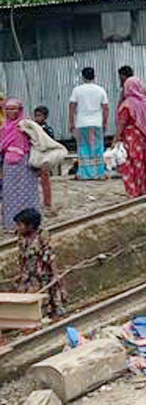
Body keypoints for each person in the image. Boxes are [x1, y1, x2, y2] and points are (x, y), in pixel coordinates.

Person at [13, 207, 67, 318]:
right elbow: (21, 257)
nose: (17, 228)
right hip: (29, 274)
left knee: (47, 297)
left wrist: (55, 275)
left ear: (30, 226)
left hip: (43, 274)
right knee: (26, 296)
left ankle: (50, 315)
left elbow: (50, 255)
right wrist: (21, 272)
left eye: (20, 225)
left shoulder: (42, 236)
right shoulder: (22, 238)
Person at [115, 77, 146, 198]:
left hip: (130, 136)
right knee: (142, 162)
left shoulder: (127, 104)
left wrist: (116, 138)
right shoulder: (145, 102)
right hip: (142, 137)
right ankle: (144, 187)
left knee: (129, 163)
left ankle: (133, 189)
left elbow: (122, 122)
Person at [1, 99, 38, 229]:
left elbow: (37, 138)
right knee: (10, 193)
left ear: (20, 110)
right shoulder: (4, 127)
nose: (11, 111)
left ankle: (31, 223)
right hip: (9, 164)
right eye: (8, 109)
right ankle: (12, 224)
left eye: (14, 108)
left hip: (25, 163)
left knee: (27, 192)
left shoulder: (26, 125)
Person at [69, 67, 109, 180]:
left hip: (81, 123)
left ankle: (84, 173)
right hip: (97, 122)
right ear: (94, 76)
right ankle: (99, 173)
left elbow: (72, 107)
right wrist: (105, 122)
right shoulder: (100, 90)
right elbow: (105, 108)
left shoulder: (77, 90)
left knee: (83, 148)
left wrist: (71, 122)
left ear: (83, 77)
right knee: (98, 148)